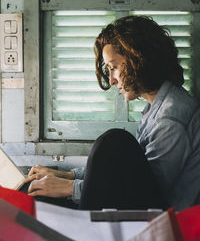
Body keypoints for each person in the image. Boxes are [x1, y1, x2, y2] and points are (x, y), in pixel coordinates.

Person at [24, 15, 200, 211]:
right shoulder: (158, 106)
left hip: (165, 223)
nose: (112, 80)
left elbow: (139, 191)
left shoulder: (170, 117)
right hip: (147, 207)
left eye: (114, 68)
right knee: (41, 197)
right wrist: (68, 176)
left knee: (114, 142)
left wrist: (68, 188)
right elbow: (129, 177)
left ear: (138, 60)